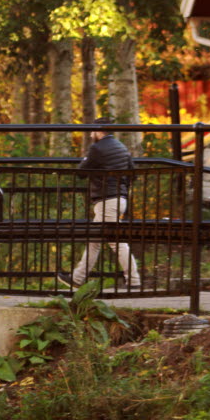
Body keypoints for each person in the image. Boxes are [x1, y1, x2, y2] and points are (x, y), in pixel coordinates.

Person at [59, 117, 142, 290]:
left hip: (107, 200)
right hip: (120, 198)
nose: (90, 134)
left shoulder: (97, 148)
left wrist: (84, 160)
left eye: (92, 130)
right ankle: (77, 278)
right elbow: (132, 172)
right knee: (94, 240)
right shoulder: (121, 147)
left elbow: (81, 172)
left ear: (98, 130)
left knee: (116, 242)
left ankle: (133, 280)